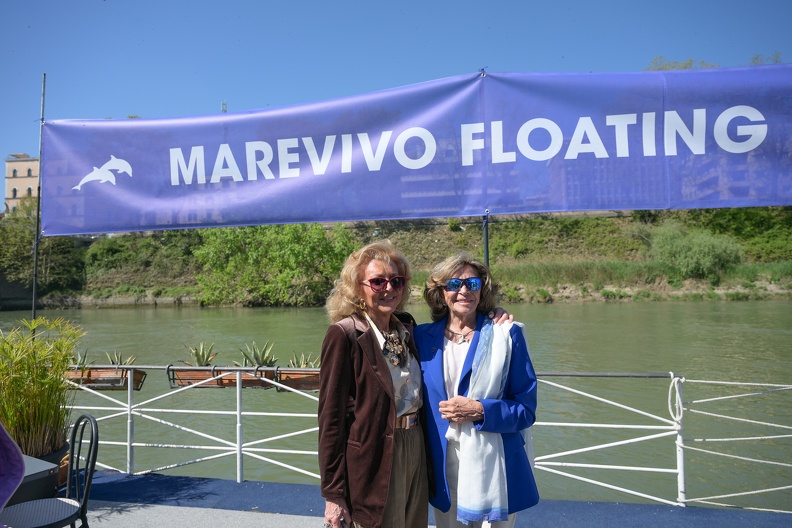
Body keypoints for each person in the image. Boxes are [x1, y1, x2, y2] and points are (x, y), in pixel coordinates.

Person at [415, 253, 539, 528]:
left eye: (472, 283)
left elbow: (526, 410)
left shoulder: (506, 335)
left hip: (497, 465)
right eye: (453, 284)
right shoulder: (421, 337)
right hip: (443, 464)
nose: (464, 290)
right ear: (440, 292)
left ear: (482, 289)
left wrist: (481, 410)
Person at [318, 240, 427, 528]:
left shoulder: (407, 327)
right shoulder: (345, 334)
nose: (388, 288)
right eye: (378, 281)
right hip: (373, 454)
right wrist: (333, 494)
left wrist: (492, 313)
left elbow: (456, 323)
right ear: (357, 288)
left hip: (415, 444)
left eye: (396, 281)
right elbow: (331, 420)